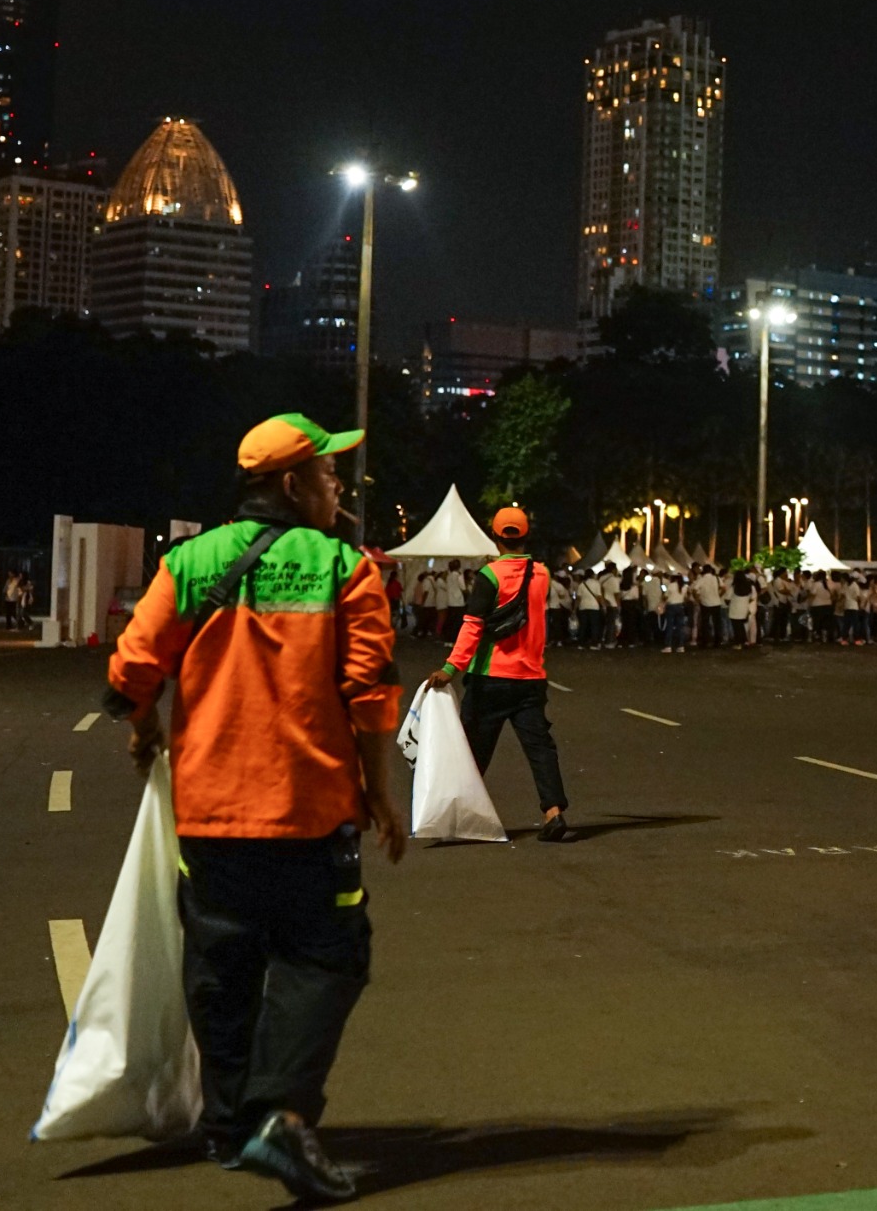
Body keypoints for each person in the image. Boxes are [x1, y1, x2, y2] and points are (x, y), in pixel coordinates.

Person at [103, 412, 404, 1204]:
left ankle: (231, 1129)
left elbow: (133, 668)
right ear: (293, 484)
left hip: (209, 817)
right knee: (328, 958)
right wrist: (382, 792)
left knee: (223, 966)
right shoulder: (346, 567)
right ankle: (282, 1117)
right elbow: (369, 694)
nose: (340, 489)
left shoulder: (192, 561)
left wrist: (147, 730)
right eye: (330, 476)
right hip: (310, 813)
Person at [429, 506, 570, 843]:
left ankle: (458, 817)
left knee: (472, 751)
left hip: (490, 678)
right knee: (539, 748)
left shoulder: (489, 576)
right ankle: (553, 812)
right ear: (526, 535)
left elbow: (473, 626)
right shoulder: (542, 574)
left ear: (494, 536)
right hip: (531, 679)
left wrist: (451, 667)